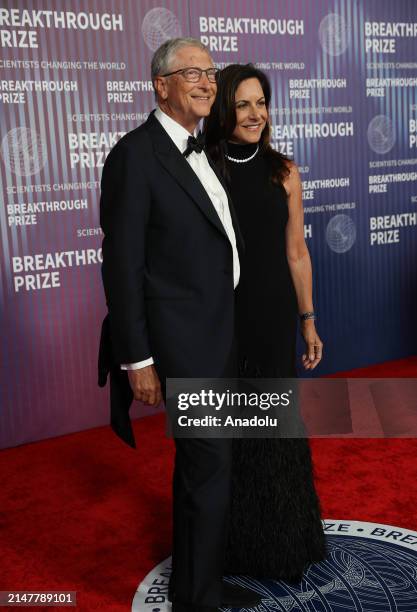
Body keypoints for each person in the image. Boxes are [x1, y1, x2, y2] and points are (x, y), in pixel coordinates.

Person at [97, 40, 262, 611]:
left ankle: (202, 584)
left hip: (219, 333)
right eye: (190, 72)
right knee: (208, 465)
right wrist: (137, 358)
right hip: (181, 344)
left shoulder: (205, 150)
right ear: (159, 84)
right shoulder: (134, 156)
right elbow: (122, 266)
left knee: (207, 467)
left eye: (210, 73)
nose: (205, 82)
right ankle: (198, 599)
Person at [204, 63, 327, 580]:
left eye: (262, 103)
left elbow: (296, 252)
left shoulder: (284, 171)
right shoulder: (204, 166)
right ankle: (229, 546)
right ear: (224, 109)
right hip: (222, 316)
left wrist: (308, 319)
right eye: (244, 104)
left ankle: (282, 544)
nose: (256, 114)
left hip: (273, 312)